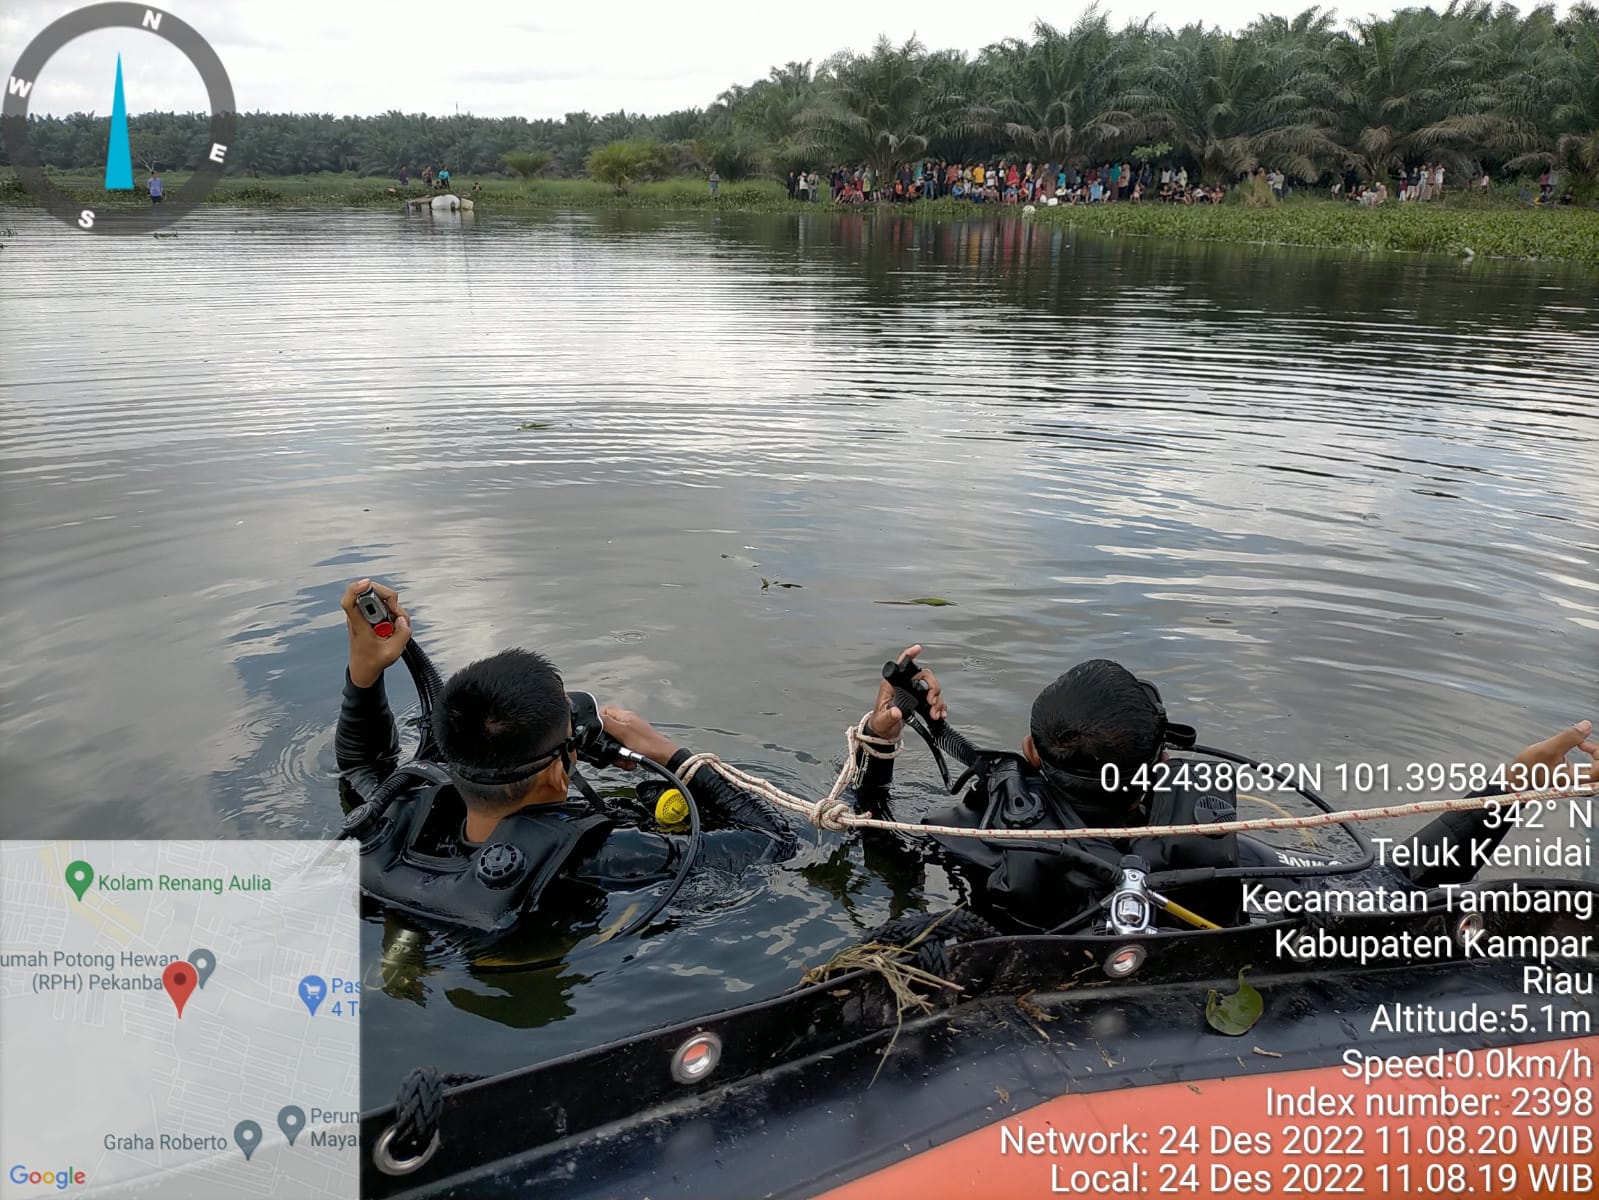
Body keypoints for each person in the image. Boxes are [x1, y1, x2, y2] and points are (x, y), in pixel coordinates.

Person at [849, 648, 1594, 932]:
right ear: (1159, 765)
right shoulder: (1210, 858)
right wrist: (1514, 782)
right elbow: (1393, 884)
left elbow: (874, 834)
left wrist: (884, 738)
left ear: (1028, 751)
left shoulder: (979, 827)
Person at [336, 580, 794, 933]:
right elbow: (773, 840)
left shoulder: (392, 819)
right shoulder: (607, 855)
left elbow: (360, 766)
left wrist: (366, 666)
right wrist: (665, 752)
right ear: (557, 774)